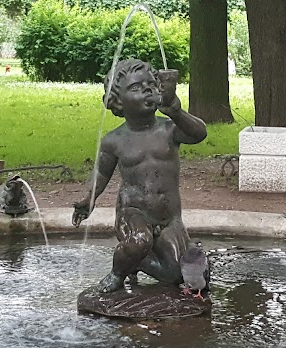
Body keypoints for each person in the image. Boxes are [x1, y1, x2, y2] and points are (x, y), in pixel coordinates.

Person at [72, 59, 207, 293]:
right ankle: (118, 273)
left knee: (176, 274)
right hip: (133, 213)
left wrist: (176, 111)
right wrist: (89, 197)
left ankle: (138, 261)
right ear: (118, 101)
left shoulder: (169, 129)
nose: (146, 90)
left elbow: (199, 133)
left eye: (150, 85)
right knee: (139, 241)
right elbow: (101, 171)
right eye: (135, 88)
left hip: (169, 218)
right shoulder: (115, 140)